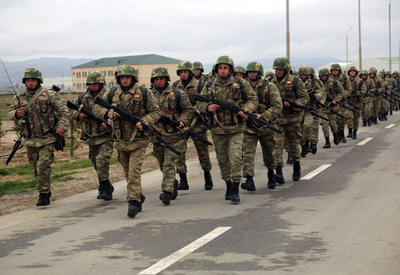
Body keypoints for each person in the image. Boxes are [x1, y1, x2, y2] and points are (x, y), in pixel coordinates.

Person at [93, 65, 160, 218]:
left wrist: (144, 121)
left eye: (128, 77)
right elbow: (96, 108)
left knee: (134, 171)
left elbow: (156, 111)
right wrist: (108, 113)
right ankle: (137, 194)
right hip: (120, 140)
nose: (125, 79)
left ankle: (133, 202)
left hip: (138, 140)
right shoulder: (111, 94)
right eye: (122, 77)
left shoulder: (143, 93)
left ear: (133, 78)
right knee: (127, 172)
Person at [197, 56, 258, 204]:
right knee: (223, 160)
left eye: (225, 68)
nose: (223, 71)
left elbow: (253, 99)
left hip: (236, 127)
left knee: (236, 157)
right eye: (220, 68)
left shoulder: (240, 83)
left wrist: (246, 109)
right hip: (217, 129)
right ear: (217, 70)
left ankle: (236, 189)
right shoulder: (209, 84)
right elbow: (199, 103)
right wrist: (207, 107)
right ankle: (228, 185)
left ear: (230, 69)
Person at [8, 68, 69, 206]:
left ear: (38, 81)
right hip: (30, 139)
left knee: (43, 166)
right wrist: (17, 114)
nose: (30, 83)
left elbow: (64, 112)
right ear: (25, 81)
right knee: (36, 168)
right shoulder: (19, 97)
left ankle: (43, 194)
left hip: (47, 138)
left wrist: (62, 127)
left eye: (33, 80)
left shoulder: (49, 95)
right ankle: (46, 191)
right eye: (28, 80)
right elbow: (10, 113)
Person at [150, 66, 193, 206]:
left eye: (162, 78)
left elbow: (188, 110)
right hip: (157, 135)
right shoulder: (148, 95)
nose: (159, 81)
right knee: (162, 163)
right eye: (156, 79)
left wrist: (182, 121)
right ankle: (172, 182)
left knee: (169, 163)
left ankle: (166, 192)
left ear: (166, 79)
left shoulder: (177, 93)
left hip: (174, 135)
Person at [70, 72, 114, 200]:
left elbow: (114, 110)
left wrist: (109, 119)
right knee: (95, 161)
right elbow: (71, 109)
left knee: (102, 160)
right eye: (92, 84)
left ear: (101, 84)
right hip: (90, 136)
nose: (94, 86)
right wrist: (78, 115)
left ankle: (104, 187)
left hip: (106, 135)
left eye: (96, 84)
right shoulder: (83, 97)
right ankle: (105, 184)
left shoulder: (107, 96)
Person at [241, 62, 282, 191]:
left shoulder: (269, 87)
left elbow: (277, 106)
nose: (252, 74)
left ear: (259, 74)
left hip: (266, 125)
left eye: (254, 72)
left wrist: (263, 116)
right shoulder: (242, 87)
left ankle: (271, 174)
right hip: (249, 126)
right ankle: (249, 180)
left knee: (269, 152)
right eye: (250, 72)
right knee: (247, 153)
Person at [272, 57, 309, 183]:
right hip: (277, 119)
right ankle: (279, 172)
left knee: (293, 145)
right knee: (277, 145)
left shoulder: (295, 81)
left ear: (286, 69)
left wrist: (293, 104)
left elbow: (304, 97)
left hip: (292, 118)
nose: (278, 72)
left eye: (281, 69)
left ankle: (296, 165)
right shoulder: (271, 82)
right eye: (277, 69)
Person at [318, 68, 345, 148]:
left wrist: (335, 100)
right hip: (322, 107)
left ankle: (335, 135)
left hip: (332, 106)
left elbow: (341, 92)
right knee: (324, 124)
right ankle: (327, 141)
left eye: (324, 76)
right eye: (321, 76)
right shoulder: (318, 83)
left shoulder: (334, 82)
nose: (323, 77)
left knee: (333, 123)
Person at [346, 66, 366, 139]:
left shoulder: (360, 81)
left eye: (353, 71)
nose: (352, 72)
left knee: (356, 118)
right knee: (349, 117)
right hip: (348, 102)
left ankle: (354, 132)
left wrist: (356, 93)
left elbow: (363, 91)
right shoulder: (346, 81)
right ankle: (350, 131)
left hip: (357, 102)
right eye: (351, 71)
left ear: (356, 72)